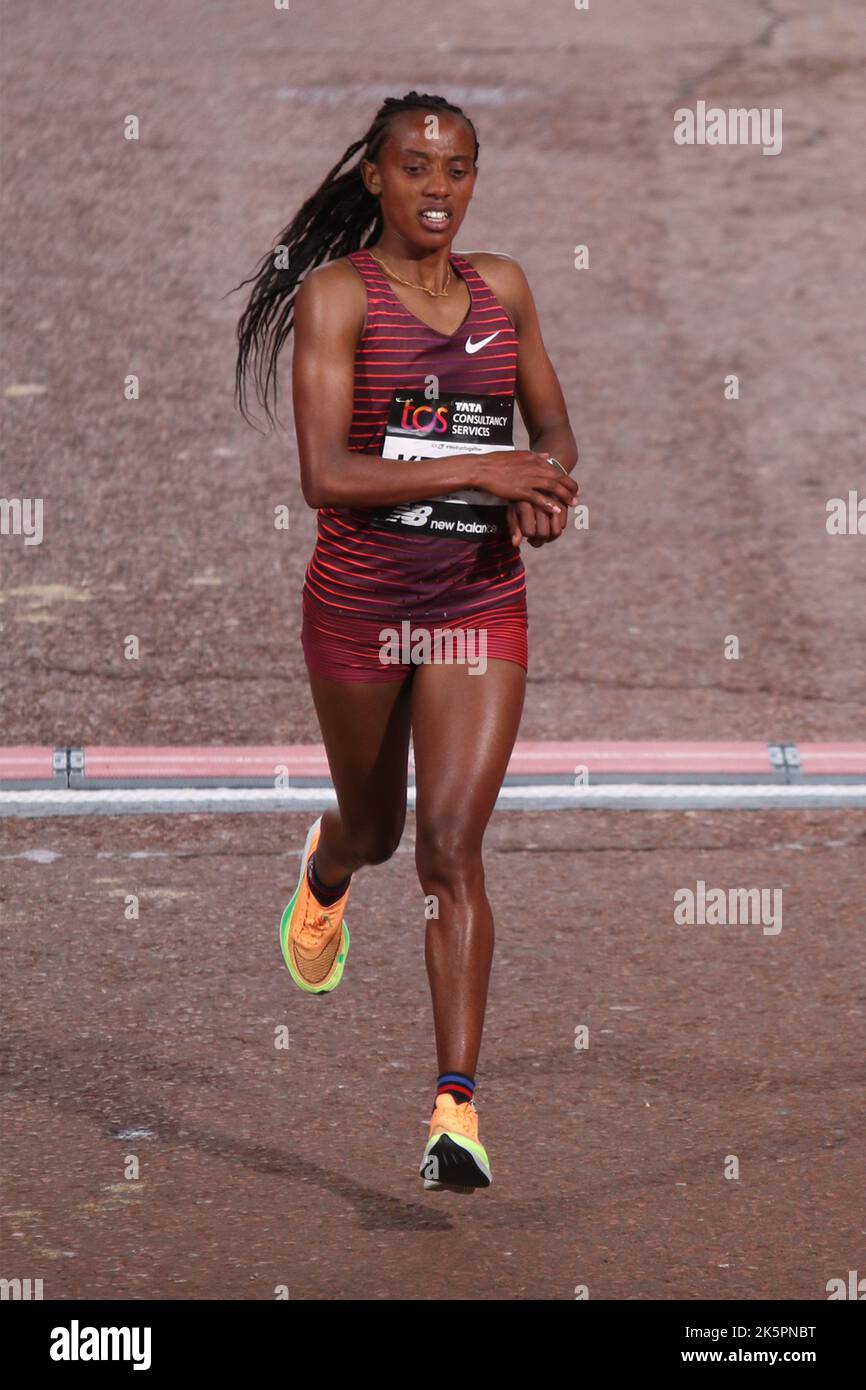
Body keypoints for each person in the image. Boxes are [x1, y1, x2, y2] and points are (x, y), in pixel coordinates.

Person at [234, 90, 578, 1193]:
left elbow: (551, 427)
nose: (439, 188)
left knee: (449, 846)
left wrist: (548, 487)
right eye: (417, 167)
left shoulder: (504, 288)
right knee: (380, 830)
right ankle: (327, 865)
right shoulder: (339, 298)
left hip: (479, 601)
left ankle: (455, 1111)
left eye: (458, 168)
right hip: (360, 609)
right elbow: (324, 476)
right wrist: (484, 470)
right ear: (375, 178)